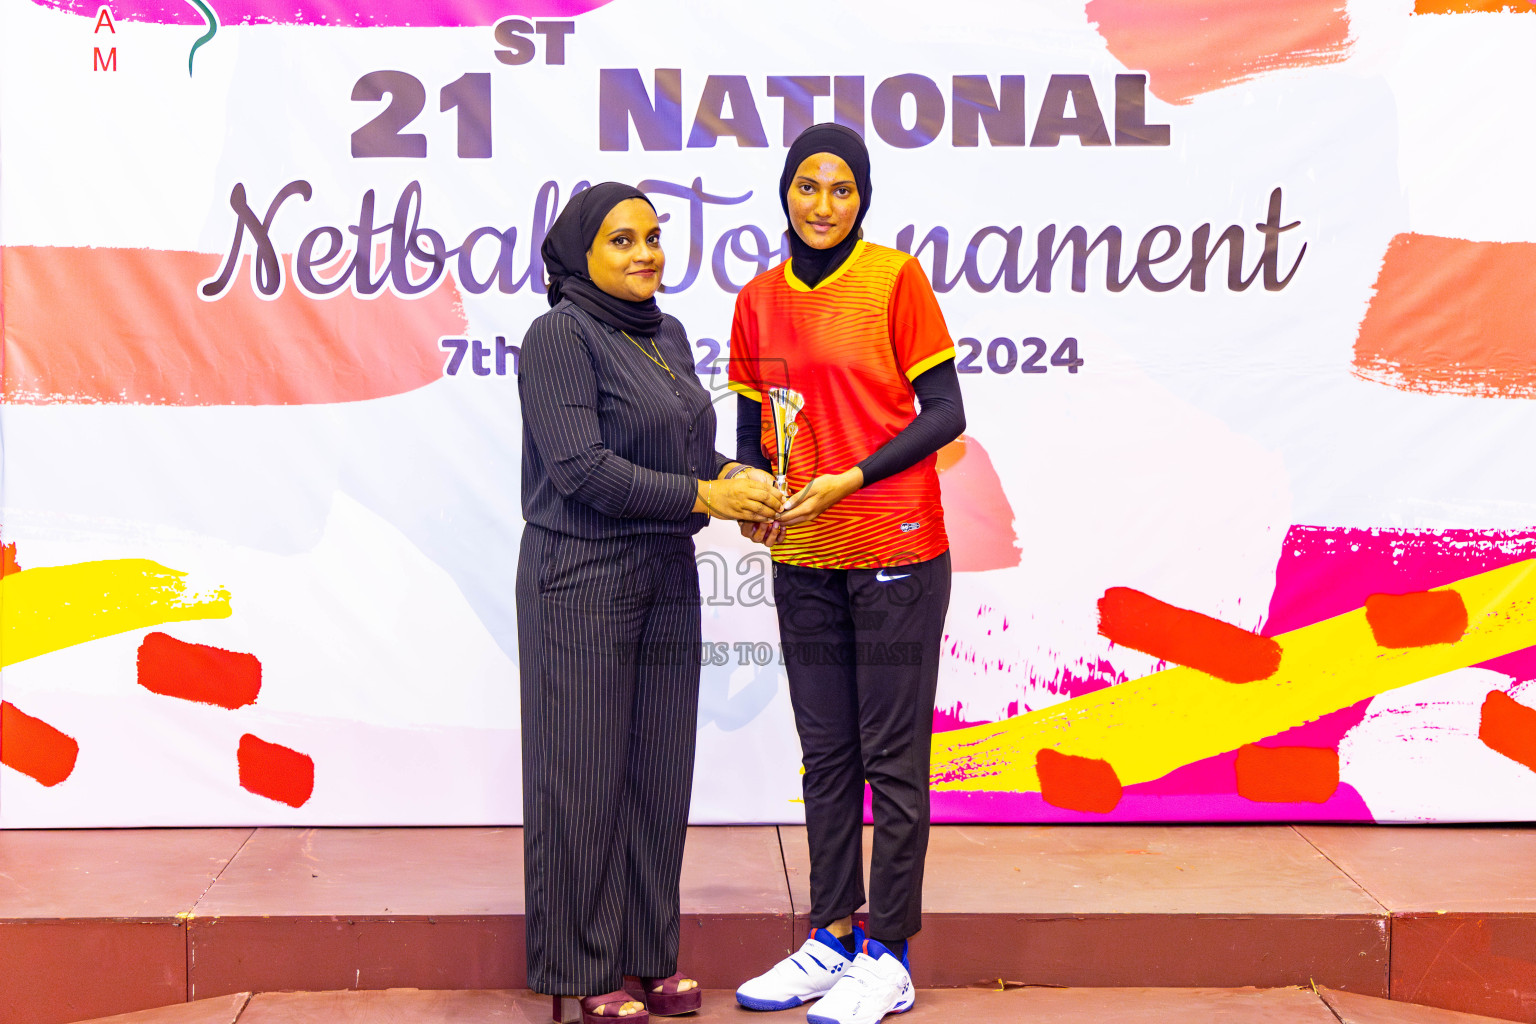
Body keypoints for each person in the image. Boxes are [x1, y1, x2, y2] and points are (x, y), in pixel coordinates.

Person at [518, 182, 784, 1024]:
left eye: (654, 238)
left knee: (659, 774)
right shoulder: (559, 335)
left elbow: (686, 450)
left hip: (667, 570)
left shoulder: (662, 333)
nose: (646, 255)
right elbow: (583, 471)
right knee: (584, 775)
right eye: (623, 240)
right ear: (580, 255)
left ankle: (647, 955)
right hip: (582, 575)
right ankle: (584, 966)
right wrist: (706, 489)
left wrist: (735, 480)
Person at [728, 125, 966, 1024]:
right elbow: (757, 435)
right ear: (784, 192)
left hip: (897, 548)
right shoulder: (756, 301)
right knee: (826, 756)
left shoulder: (895, 281)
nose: (822, 204)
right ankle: (832, 936)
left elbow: (946, 412)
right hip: (804, 558)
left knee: (891, 762)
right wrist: (755, 497)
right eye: (807, 186)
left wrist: (852, 477)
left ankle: (890, 955)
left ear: (862, 199)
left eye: (841, 188)